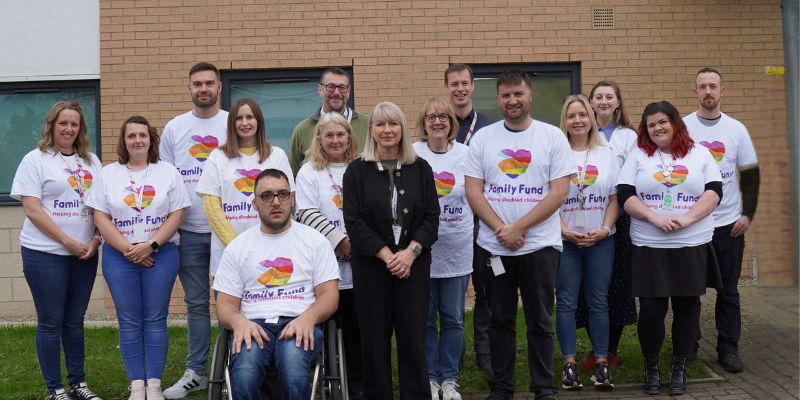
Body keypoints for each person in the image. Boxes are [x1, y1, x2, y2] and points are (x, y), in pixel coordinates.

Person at [464, 70, 575, 400]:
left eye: (518, 94)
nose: (512, 100)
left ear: (530, 97)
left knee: (540, 321)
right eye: (506, 95)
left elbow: (558, 192)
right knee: (500, 321)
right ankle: (502, 388)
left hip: (540, 247)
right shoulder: (484, 139)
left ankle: (543, 387)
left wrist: (519, 228)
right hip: (494, 249)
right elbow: (473, 191)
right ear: (498, 99)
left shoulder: (552, 137)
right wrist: (503, 230)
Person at [617, 101, 723, 396]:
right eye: (651, 125)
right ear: (645, 130)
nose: (657, 128)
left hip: (691, 242)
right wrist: (653, 217)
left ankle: (679, 367)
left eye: (662, 122)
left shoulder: (699, 153)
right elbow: (624, 193)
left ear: (675, 122)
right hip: (650, 244)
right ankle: (652, 368)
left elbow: (715, 190)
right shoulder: (638, 155)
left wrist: (687, 218)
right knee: (651, 310)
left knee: (687, 307)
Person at [86, 116, 191, 400]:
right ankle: (137, 385)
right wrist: (129, 250)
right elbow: (100, 216)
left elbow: (177, 213)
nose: (137, 140)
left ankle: (154, 384)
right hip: (120, 256)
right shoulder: (109, 173)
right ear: (124, 141)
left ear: (151, 139)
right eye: (131, 135)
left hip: (161, 254)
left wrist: (151, 246)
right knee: (129, 321)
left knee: (155, 319)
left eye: (142, 135)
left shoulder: (167, 171)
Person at [213, 168, 340, 400]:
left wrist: (309, 318)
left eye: (283, 194)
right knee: (244, 376)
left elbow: (330, 296)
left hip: (299, 321)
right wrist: (238, 322)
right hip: (253, 325)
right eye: (267, 195)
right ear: (254, 203)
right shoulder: (238, 247)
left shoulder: (315, 241)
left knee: (293, 373)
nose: (276, 201)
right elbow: (224, 305)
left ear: (292, 199)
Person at [342, 101, 439, 399]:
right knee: (374, 342)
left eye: (393, 124)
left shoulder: (420, 167)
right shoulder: (356, 171)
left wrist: (411, 252)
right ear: (371, 130)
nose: (387, 130)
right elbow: (354, 221)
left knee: (412, 340)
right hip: (372, 268)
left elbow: (432, 217)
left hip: (414, 267)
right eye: (380, 124)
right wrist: (387, 255)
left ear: (402, 129)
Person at [11, 101, 103, 400]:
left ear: (81, 129)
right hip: (45, 254)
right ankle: (55, 389)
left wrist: (95, 239)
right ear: (51, 125)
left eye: (74, 124)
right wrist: (68, 242)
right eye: (63, 123)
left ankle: (78, 384)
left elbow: (103, 206)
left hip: (85, 254)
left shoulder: (91, 162)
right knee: (51, 321)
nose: (68, 128)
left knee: (74, 322)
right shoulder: (35, 160)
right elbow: (32, 209)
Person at [160, 62, 228, 399]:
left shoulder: (234, 123)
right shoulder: (175, 128)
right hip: (188, 231)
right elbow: (166, 182)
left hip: (228, 232)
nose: (203, 89)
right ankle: (197, 372)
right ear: (189, 88)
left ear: (219, 87)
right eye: (197, 84)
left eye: (209, 83)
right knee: (197, 304)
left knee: (231, 302)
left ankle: (232, 366)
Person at [684, 67, 759, 372]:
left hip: (728, 225)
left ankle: (728, 349)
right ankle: (688, 347)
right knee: (689, 290)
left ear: (722, 91)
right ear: (696, 92)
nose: (708, 92)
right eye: (702, 87)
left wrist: (747, 215)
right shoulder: (684, 127)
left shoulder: (736, 130)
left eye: (713, 86)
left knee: (728, 291)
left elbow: (751, 174)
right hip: (693, 225)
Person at [294, 112, 363, 398]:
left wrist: (357, 243)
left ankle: (358, 384)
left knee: (358, 330)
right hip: (324, 263)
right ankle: (322, 382)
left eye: (340, 134)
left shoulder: (361, 167)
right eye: (329, 135)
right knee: (325, 325)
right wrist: (339, 242)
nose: (335, 140)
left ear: (349, 137)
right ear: (319, 139)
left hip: (360, 261)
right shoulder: (309, 171)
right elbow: (305, 212)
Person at [555, 95, 619, 391]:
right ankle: (569, 365)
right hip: (565, 241)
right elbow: (547, 200)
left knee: (598, 301)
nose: (577, 120)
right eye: (571, 116)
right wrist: (564, 230)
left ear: (591, 118)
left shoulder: (607, 154)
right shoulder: (556, 154)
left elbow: (614, 199)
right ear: (564, 122)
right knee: (566, 302)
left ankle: (602, 363)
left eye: (582, 114)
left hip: (600, 240)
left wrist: (606, 229)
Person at [412, 97, 472, 400]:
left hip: (457, 248)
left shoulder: (466, 155)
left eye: (443, 117)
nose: (437, 122)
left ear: (452, 123)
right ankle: (429, 379)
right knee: (425, 319)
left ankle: (449, 378)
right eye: (431, 117)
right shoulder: (413, 154)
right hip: (420, 252)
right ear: (423, 123)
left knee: (453, 318)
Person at [577, 80, 639, 372]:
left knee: (615, 285)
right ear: (590, 102)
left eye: (609, 97)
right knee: (587, 286)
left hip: (621, 217)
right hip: (583, 216)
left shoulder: (630, 137)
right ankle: (595, 346)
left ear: (618, 103)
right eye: (598, 97)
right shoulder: (580, 135)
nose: (603, 101)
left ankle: (610, 349)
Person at [196, 98, 294, 276]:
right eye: (239, 118)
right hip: (229, 252)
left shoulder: (277, 155)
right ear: (232, 123)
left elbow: (289, 202)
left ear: (259, 121)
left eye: (250, 117)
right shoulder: (217, 157)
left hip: (271, 252)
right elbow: (211, 207)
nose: (245, 123)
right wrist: (237, 245)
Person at [444, 64, 493, 373]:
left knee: (486, 289)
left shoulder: (488, 128)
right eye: (454, 84)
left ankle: (486, 356)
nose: (459, 88)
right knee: (455, 293)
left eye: (464, 83)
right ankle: (455, 355)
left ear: (473, 86)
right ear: (447, 87)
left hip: (485, 222)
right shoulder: (441, 125)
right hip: (452, 224)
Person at [288, 67, 369, 175]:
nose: (336, 92)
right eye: (330, 87)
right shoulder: (302, 130)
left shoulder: (368, 125)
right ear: (320, 90)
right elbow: (292, 176)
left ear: (348, 91)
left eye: (342, 87)